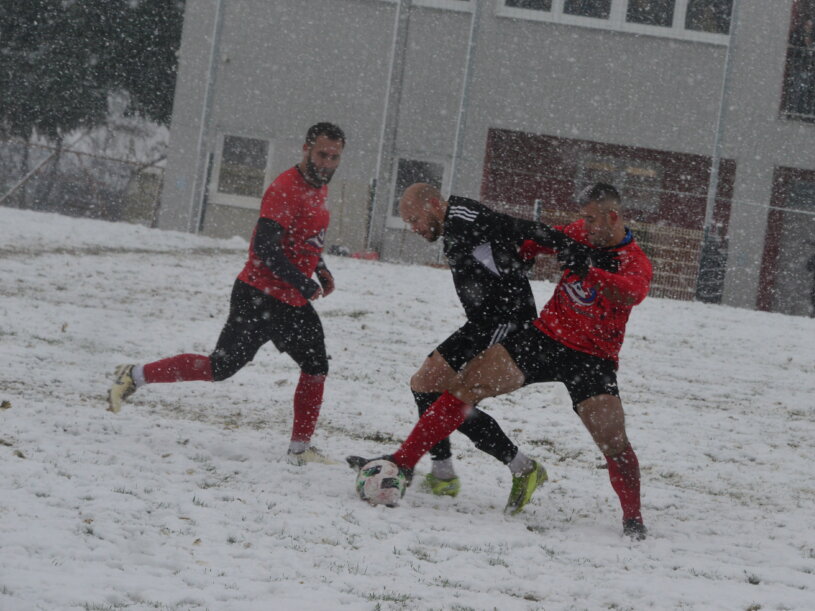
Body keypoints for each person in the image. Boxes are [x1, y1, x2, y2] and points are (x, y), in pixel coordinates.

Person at [364, 183, 653, 540]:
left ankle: (634, 521)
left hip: (592, 359)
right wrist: (522, 252)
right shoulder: (580, 234)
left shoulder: (635, 261)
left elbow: (632, 292)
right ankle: (404, 462)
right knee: (465, 385)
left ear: (612, 217)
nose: (585, 224)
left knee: (613, 440)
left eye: (592, 218)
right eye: (583, 217)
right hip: (546, 337)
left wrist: (590, 271)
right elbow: (538, 238)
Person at [107, 122, 346, 465]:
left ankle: (299, 450)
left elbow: (303, 238)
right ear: (305, 149)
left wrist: (319, 269)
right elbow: (265, 247)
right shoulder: (285, 188)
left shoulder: (318, 188)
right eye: (321, 154)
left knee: (316, 366)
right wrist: (300, 279)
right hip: (257, 296)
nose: (326, 162)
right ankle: (133, 375)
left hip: (289, 300)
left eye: (334, 157)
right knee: (220, 367)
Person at [368, 182, 588, 508]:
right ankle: (445, 473)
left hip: (507, 321)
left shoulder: (464, 216)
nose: (413, 228)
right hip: (482, 323)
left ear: (432, 203)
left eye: (415, 219)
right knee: (424, 384)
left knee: (455, 398)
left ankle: (519, 468)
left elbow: (515, 227)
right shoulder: (453, 225)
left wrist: (565, 245)